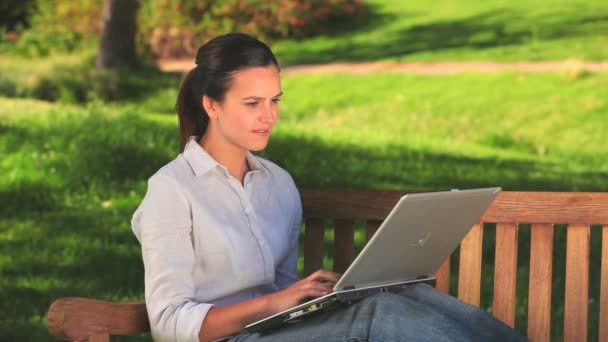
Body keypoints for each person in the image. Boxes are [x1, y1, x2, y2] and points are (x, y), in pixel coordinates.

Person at [131, 33, 527, 342]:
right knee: (377, 316)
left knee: (405, 295)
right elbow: (168, 324)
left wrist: (317, 298)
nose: (269, 116)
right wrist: (278, 302)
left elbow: (283, 289)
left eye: (275, 101)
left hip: (276, 331)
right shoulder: (172, 190)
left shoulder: (277, 184)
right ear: (211, 106)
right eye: (252, 103)